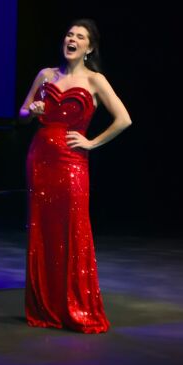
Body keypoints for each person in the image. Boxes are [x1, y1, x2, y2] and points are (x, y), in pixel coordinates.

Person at [17, 19, 131, 333]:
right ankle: (45, 305)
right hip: (40, 158)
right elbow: (23, 113)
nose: (72, 39)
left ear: (89, 48)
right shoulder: (45, 75)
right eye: (69, 34)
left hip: (72, 162)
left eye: (80, 37)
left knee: (72, 228)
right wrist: (33, 111)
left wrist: (92, 143)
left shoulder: (95, 80)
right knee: (43, 230)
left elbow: (124, 119)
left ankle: (75, 306)